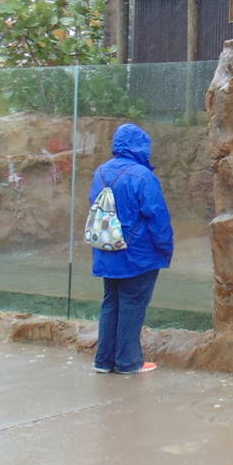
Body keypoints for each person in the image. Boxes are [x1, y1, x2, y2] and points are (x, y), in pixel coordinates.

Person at [90, 123, 173, 374]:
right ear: (141, 147)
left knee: (111, 303)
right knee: (132, 304)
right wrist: (165, 247)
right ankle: (128, 362)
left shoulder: (101, 172)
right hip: (138, 254)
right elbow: (157, 215)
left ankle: (103, 361)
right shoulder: (142, 176)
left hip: (107, 250)